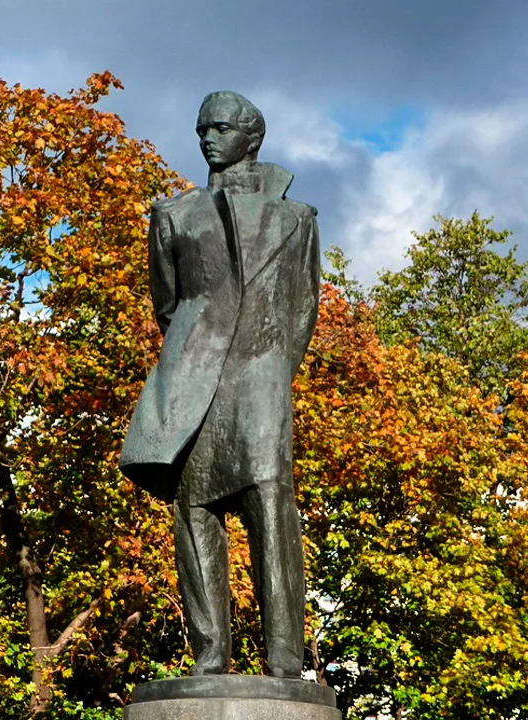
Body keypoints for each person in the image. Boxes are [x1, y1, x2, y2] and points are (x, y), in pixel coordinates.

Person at [119, 91, 321, 678]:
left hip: (262, 370)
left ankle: (284, 654)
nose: (207, 136)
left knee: (269, 499)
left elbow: (303, 306)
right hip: (192, 373)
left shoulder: (297, 218)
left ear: (251, 138)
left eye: (221, 127)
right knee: (194, 505)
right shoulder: (174, 214)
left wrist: (272, 367)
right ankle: (210, 652)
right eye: (201, 127)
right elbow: (168, 302)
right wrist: (198, 350)